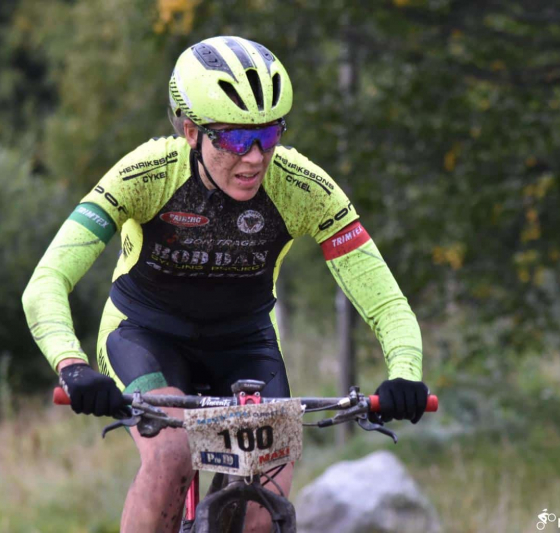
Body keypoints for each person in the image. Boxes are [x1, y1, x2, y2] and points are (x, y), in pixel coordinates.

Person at [22, 36, 428, 533]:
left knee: (265, 494)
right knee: (172, 454)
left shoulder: (302, 188)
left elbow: (385, 301)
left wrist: (405, 374)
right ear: (192, 132)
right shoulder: (147, 174)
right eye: (235, 139)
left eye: (269, 135)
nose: (255, 157)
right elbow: (47, 280)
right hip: (144, 334)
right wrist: (72, 366)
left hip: (243, 344)